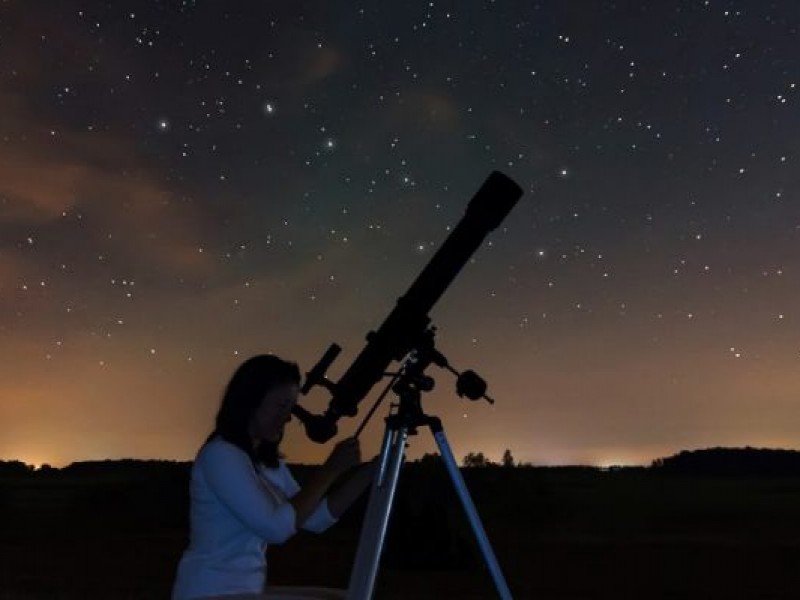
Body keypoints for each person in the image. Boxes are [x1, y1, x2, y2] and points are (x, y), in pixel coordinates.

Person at [171, 354, 376, 600]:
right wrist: (330, 470)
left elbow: (316, 519)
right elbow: (276, 528)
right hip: (209, 592)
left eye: (290, 408)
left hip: (247, 590)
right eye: (281, 406)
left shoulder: (268, 462)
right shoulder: (221, 454)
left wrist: (369, 473)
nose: (287, 417)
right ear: (251, 400)